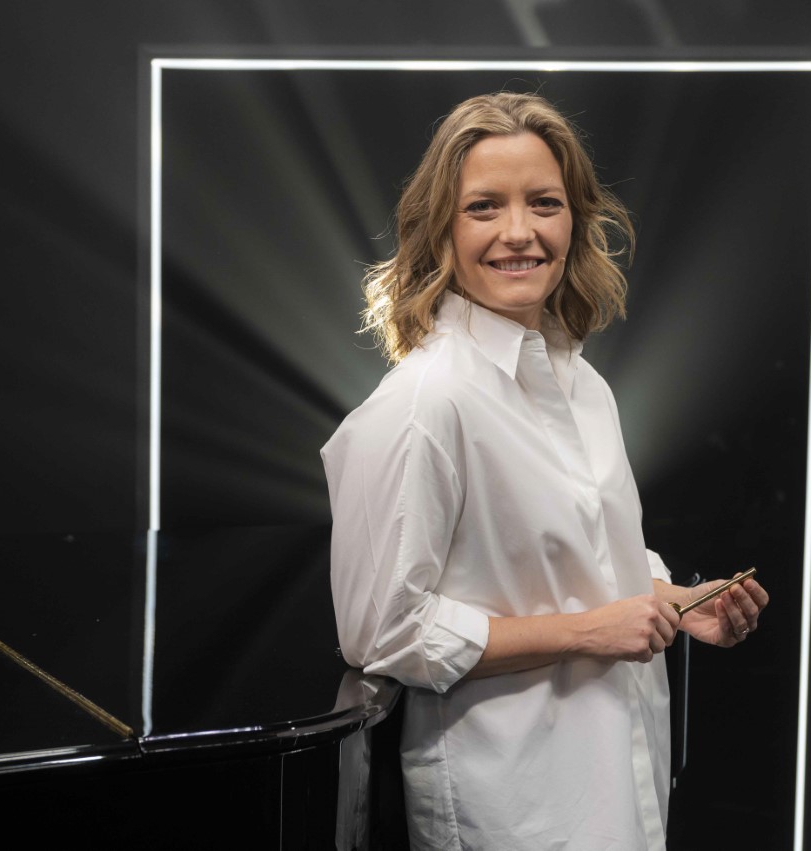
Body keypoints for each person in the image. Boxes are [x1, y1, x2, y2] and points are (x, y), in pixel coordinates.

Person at [321, 91, 769, 850]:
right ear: (441, 228)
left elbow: (571, 558)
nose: (519, 232)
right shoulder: (425, 402)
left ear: (575, 221)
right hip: (513, 806)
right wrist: (590, 631)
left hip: (617, 780)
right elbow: (385, 633)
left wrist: (673, 601)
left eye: (544, 202)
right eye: (484, 207)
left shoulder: (581, 382)